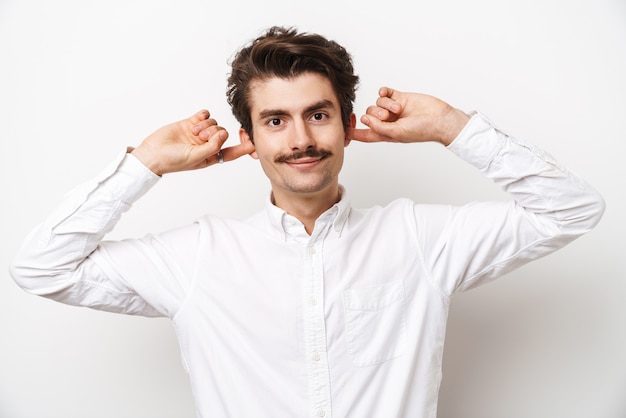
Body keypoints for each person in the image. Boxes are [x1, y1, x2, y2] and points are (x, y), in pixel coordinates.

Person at [10, 25, 605, 418]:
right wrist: (145, 165)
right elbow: (40, 269)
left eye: (317, 115)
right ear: (248, 136)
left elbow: (572, 208)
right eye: (275, 121)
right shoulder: (197, 259)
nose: (300, 140)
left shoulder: (421, 240)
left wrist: (452, 125)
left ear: (347, 124)